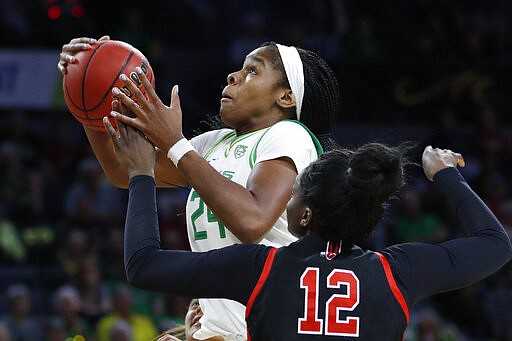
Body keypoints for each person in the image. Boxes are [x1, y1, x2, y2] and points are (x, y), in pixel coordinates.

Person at [112, 120, 511, 340]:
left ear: (305, 216)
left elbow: (142, 264)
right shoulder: (397, 273)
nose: (286, 200)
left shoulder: (261, 268)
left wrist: (141, 173)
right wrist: (445, 176)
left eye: (294, 193)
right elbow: (496, 244)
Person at [59, 35, 341, 340]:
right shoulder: (214, 144)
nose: (234, 76)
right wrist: (89, 95)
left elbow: (252, 220)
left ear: (286, 97)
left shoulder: (290, 135)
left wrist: (175, 143)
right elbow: (123, 169)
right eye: (240, 68)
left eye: (253, 71)